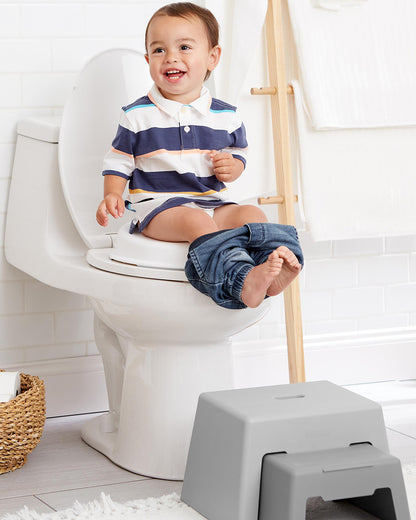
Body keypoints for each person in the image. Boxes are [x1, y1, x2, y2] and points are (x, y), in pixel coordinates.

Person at [96, 2, 303, 309]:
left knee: (253, 215)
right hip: (158, 210)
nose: (171, 57)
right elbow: (118, 161)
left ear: (212, 58)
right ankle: (240, 282)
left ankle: (269, 271)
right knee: (196, 221)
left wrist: (231, 167)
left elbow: (238, 155)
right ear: (148, 60)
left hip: (211, 203)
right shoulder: (137, 115)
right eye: (159, 50)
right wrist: (112, 193)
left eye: (184, 47)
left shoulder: (226, 115)